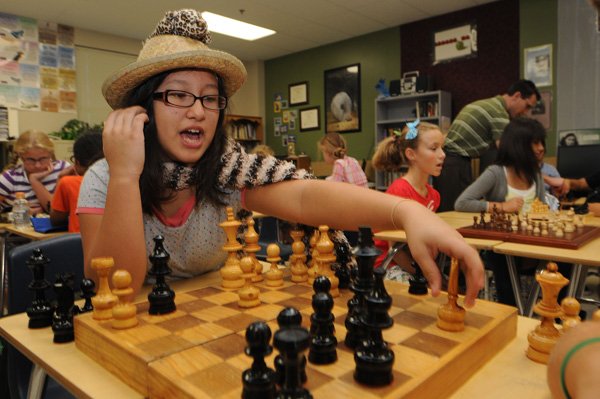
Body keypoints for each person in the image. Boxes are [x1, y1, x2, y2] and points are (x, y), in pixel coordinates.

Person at [76, 9, 484, 307]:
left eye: (210, 97)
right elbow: (117, 288)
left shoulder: (228, 170)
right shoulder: (105, 177)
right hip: (135, 325)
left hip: (215, 312)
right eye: (178, 94)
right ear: (143, 109)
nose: (198, 110)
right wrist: (126, 177)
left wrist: (406, 213)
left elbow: (307, 198)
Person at [454, 117, 547, 306]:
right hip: (503, 248)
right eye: (535, 142)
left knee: (565, 263)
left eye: (542, 142)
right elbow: (462, 203)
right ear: (519, 145)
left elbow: (542, 209)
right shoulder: (496, 173)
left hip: (533, 245)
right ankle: (511, 310)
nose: (541, 148)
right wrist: (501, 207)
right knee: (502, 258)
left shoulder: (535, 175)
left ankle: (560, 315)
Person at [433, 80, 540, 212]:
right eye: (527, 106)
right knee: (454, 214)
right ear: (517, 96)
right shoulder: (498, 113)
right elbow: (509, 153)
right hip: (455, 163)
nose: (525, 112)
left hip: (452, 161)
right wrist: (540, 176)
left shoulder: (489, 104)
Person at [371, 120, 444, 273]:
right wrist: (424, 274)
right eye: (434, 148)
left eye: (442, 148)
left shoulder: (434, 195)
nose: (442, 154)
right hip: (388, 265)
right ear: (411, 154)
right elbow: (395, 249)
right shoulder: (399, 192)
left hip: (416, 263)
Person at [0, 130, 71, 214]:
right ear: (21, 157)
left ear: (50, 154)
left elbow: (57, 211)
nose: (38, 165)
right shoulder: (10, 178)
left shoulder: (63, 169)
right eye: (31, 160)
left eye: (43, 158)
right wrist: (16, 211)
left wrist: (34, 180)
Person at [50, 130, 103, 232]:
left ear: (77, 162)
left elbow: (56, 219)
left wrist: (60, 179)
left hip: (80, 244)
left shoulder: (68, 182)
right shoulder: (120, 181)